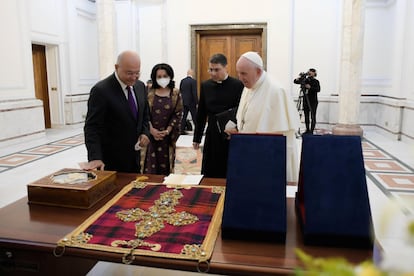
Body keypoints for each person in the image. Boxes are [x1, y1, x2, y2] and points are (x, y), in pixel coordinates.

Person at [228, 51, 300, 183]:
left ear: (258, 72)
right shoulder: (249, 86)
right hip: (251, 152)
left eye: (243, 73)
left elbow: (280, 134)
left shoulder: (276, 91)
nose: (240, 77)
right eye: (238, 73)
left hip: (270, 156)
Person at [82, 50, 150, 173]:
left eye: (137, 73)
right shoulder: (101, 90)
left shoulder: (140, 86)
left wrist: (145, 133)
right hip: (110, 161)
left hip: (135, 157)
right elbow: (92, 128)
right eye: (129, 73)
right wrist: (95, 157)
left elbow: (144, 115)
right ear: (117, 67)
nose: (134, 77)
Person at [193, 53, 244, 178]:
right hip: (212, 133)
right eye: (211, 69)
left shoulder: (237, 85)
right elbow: (201, 113)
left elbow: (241, 110)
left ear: (226, 67)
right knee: (211, 169)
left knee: (229, 168)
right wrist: (197, 138)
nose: (213, 73)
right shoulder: (206, 86)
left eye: (217, 70)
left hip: (230, 133)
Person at [144, 63, 183, 175]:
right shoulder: (148, 92)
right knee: (150, 166)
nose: (162, 79)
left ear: (170, 76)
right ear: (154, 78)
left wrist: (168, 130)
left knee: (166, 166)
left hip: (167, 137)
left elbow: (178, 113)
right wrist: (151, 130)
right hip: (150, 136)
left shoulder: (175, 93)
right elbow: (144, 113)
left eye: (165, 76)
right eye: (159, 77)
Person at [293, 68, 320, 134]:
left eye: (312, 72)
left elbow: (318, 89)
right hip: (305, 100)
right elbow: (295, 81)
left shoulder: (316, 81)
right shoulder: (306, 80)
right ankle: (307, 129)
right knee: (306, 115)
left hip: (313, 101)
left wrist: (310, 87)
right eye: (309, 71)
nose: (310, 73)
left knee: (313, 116)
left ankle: (312, 130)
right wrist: (300, 77)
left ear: (314, 73)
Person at [179, 69, 198, 135]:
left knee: (184, 116)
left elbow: (180, 91)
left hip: (184, 102)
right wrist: (197, 102)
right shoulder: (193, 81)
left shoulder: (182, 81)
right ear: (192, 73)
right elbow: (194, 93)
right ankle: (198, 130)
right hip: (191, 102)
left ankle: (181, 130)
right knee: (194, 116)